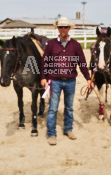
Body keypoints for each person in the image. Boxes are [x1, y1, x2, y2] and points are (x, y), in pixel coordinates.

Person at [41, 17, 94, 145]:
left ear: (69, 28)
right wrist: (43, 77)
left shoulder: (75, 45)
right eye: (60, 27)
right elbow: (45, 61)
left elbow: (82, 62)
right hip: (55, 81)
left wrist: (88, 78)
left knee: (69, 107)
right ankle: (51, 134)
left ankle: (68, 129)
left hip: (70, 81)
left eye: (65, 27)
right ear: (57, 29)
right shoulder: (51, 44)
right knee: (53, 108)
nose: (63, 29)